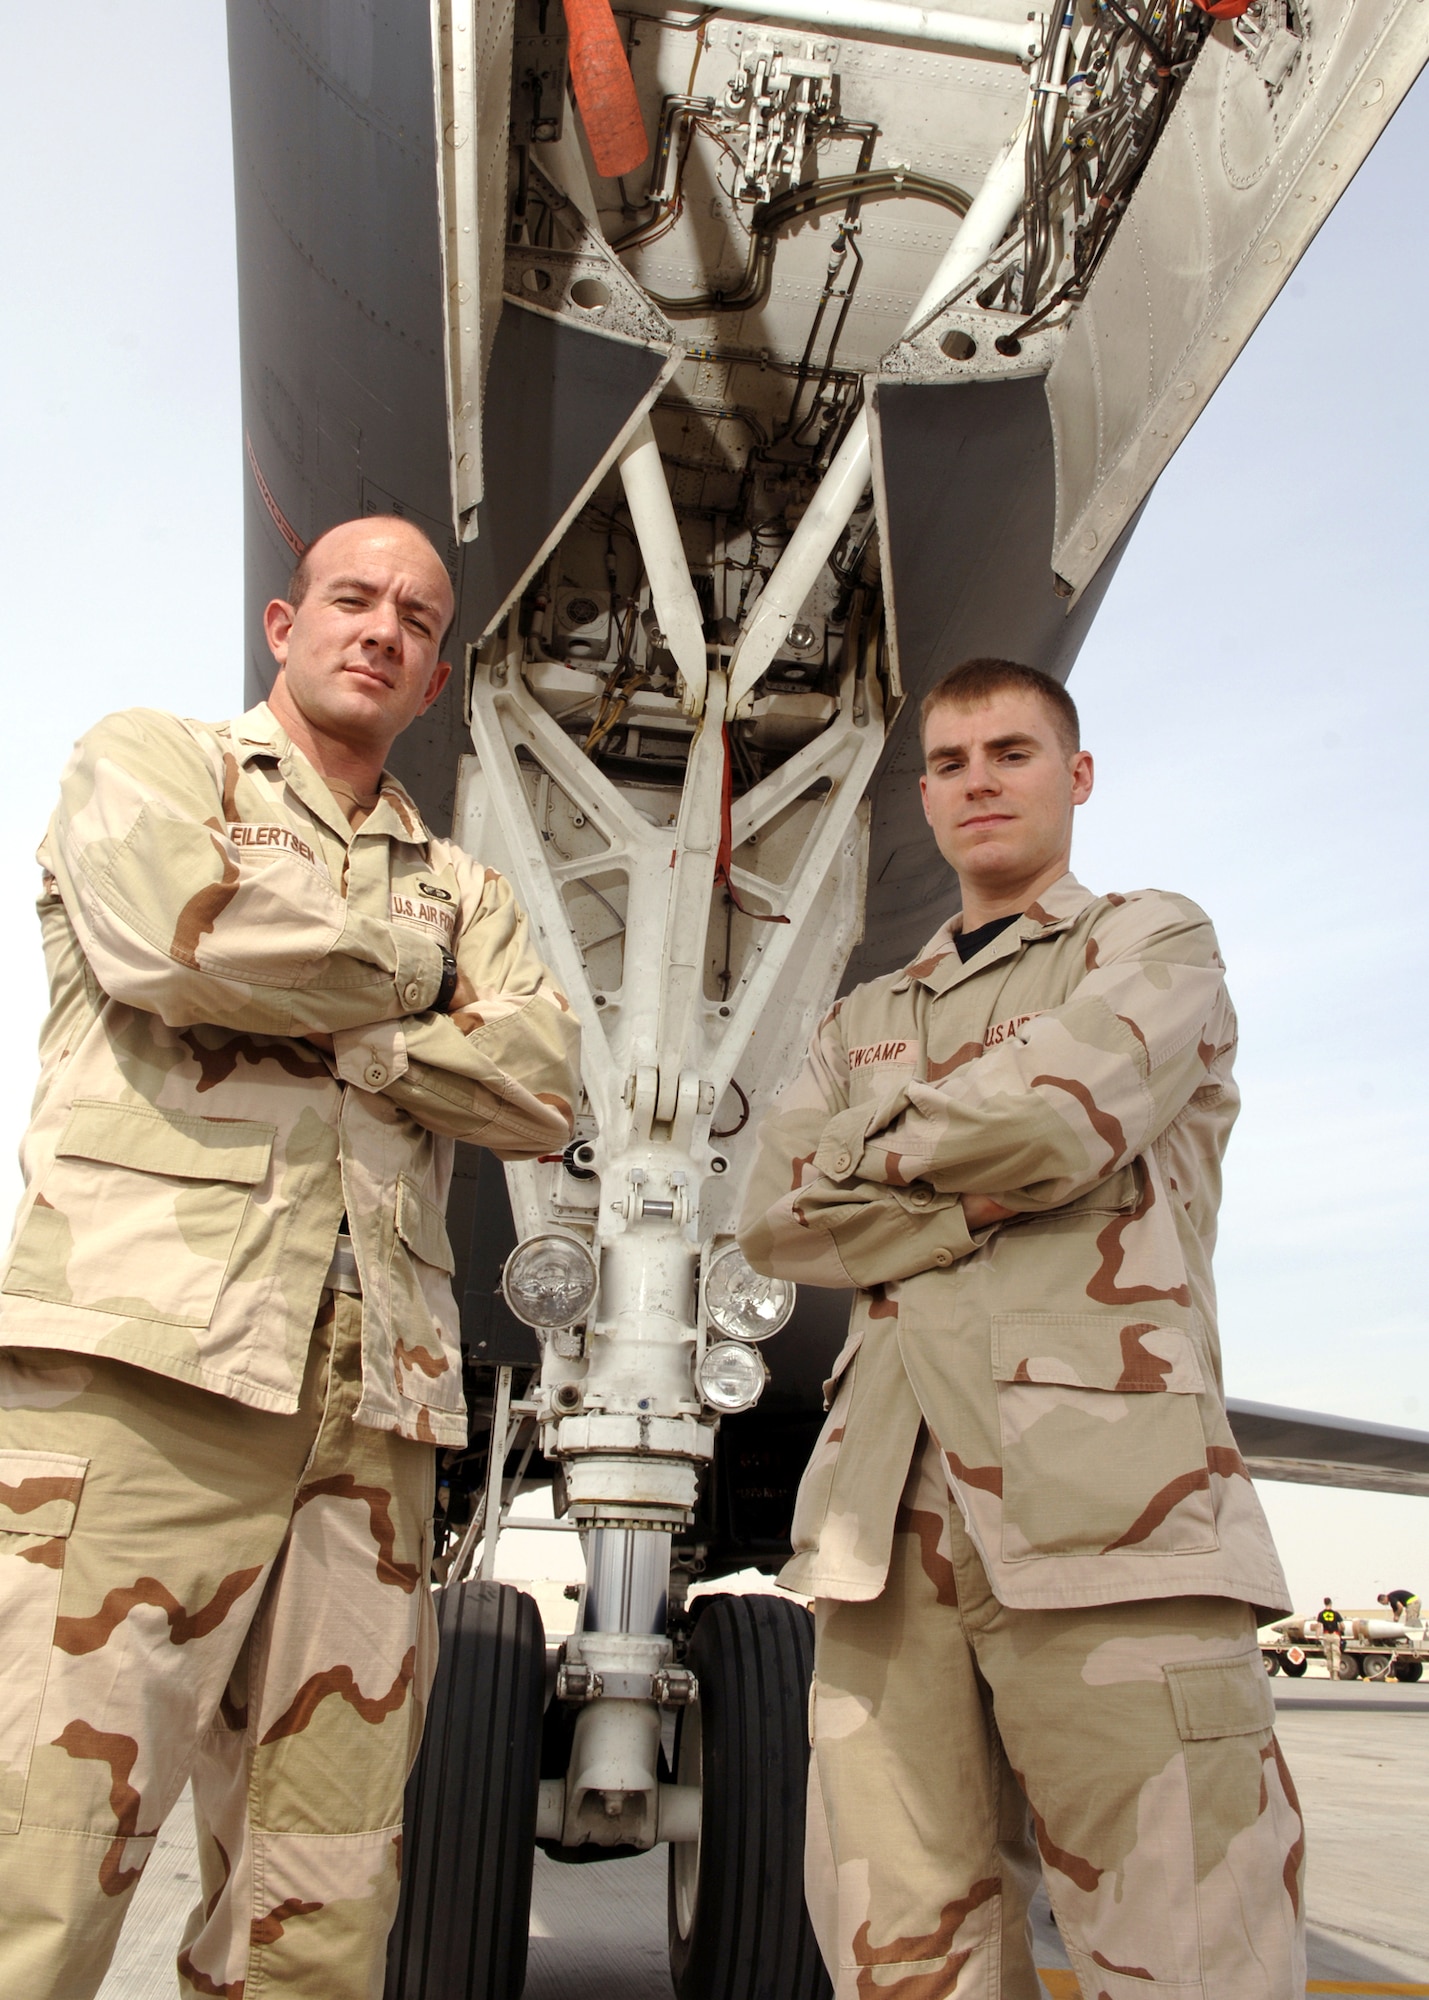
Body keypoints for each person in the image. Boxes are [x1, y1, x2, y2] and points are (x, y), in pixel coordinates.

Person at [0, 517, 580, 2000]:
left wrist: (332, 1012)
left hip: (370, 1421)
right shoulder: (151, 762)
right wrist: (413, 999)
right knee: (43, 1855)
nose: (379, 627)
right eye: (351, 599)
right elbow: (174, 935)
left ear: (435, 675)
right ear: (282, 622)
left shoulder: (464, 883)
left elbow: (539, 1084)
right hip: (151, 1379)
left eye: (413, 616)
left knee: (321, 1898)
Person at [739, 658, 1305, 1998]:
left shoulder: (1150, 942)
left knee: (1188, 1952)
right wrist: (990, 1186)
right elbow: (776, 1216)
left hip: (1113, 1513)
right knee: (905, 1957)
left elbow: (1053, 1116)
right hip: (881, 1531)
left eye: (1010, 752)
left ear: (1076, 776)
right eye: (949, 762)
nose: (978, 781)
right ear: (923, 798)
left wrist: (883, 1163)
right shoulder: (860, 1018)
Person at [1317, 1597, 1346, 1678]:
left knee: (1328, 1655)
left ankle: (1330, 1674)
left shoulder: (1321, 1614)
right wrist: (1342, 1631)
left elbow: (1318, 1627)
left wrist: (1317, 1637)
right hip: (1335, 1635)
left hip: (1326, 1636)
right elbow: (1342, 1626)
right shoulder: (1336, 1614)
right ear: (1331, 1603)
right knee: (1336, 1654)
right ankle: (1336, 1674)